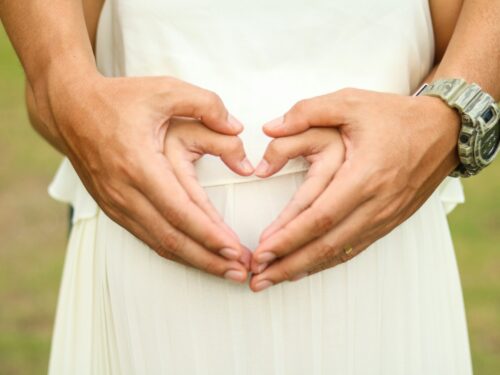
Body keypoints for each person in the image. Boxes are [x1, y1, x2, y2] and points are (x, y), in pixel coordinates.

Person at [1, 0, 499, 373]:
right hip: (147, 286)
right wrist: (70, 97)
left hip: (386, 274)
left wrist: (446, 118)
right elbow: (56, 83)